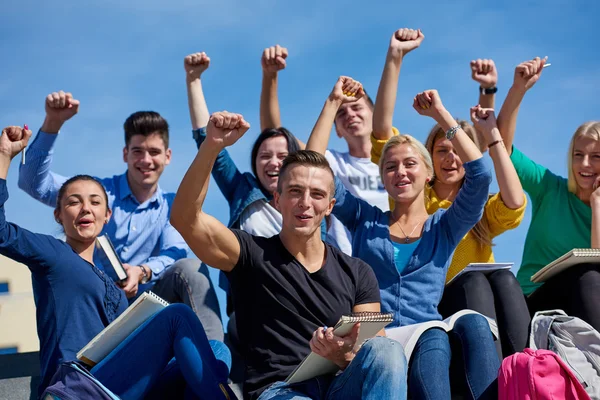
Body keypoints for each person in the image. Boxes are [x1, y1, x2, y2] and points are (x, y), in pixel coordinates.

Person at [170, 111, 408, 400]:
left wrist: (342, 356)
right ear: (277, 199)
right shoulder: (248, 254)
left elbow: (376, 355)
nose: (305, 203)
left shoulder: (358, 272)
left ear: (330, 205)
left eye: (317, 195)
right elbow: (185, 218)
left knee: (388, 349)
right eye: (295, 191)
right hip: (281, 392)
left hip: (340, 387)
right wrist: (212, 145)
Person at [0, 126, 233, 399]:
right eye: (74, 202)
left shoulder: (113, 284)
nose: (86, 208)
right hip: (79, 385)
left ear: (107, 215)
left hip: (121, 384)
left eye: (95, 202)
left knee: (217, 349)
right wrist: (5, 155)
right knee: (177, 316)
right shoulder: (52, 253)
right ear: (58, 215)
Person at [306, 71, 499, 398]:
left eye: (410, 164)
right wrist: (332, 103)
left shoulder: (444, 225)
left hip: (425, 337)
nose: (400, 172)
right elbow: (313, 168)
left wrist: (440, 114)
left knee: (440, 334)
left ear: (428, 174)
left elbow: (480, 175)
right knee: (433, 337)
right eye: (391, 167)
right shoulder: (364, 220)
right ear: (383, 178)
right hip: (372, 340)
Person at [370, 28, 530, 356]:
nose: (451, 157)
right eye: (442, 150)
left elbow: (514, 201)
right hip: (433, 305)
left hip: (485, 296)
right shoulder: (412, 197)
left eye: (458, 150)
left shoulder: (477, 207)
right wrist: (394, 58)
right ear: (428, 159)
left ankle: (522, 366)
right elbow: (382, 133)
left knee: (505, 281)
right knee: (472, 284)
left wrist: (489, 120)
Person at [17, 91, 224, 342]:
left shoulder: (172, 205)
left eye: (154, 152)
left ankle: (214, 359)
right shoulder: (96, 195)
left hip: (152, 303)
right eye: (138, 151)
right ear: (125, 154)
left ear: (167, 157)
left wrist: (142, 271)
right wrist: (53, 123)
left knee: (191, 267)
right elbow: (32, 183)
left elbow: (175, 252)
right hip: (99, 299)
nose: (146, 160)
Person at [497, 56, 600, 330]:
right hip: (533, 301)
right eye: (579, 155)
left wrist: (598, 205)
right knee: (589, 276)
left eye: (596, 156)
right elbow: (502, 148)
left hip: (583, 305)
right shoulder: (550, 187)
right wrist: (519, 89)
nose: (585, 165)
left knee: (591, 275)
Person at [259, 45, 389, 255]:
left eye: (356, 107)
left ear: (376, 115)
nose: (350, 115)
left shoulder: (398, 163)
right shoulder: (330, 162)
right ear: (336, 129)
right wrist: (269, 77)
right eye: (341, 113)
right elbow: (274, 136)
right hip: (347, 263)